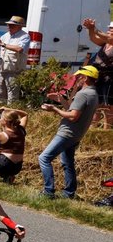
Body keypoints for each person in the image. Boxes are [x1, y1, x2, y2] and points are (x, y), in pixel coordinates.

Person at [38, 66, 100, 199]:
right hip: (77, 134)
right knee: (67, 162)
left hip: (67, 133)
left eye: (79, 77)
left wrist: (54, 109)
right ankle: (69, 192)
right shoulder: (94, 94)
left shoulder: (83, 94)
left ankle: (48, 191)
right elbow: (74, 111)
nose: (77, 79)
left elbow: (73, 117)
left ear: (85, 78)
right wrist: (61, 101)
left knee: (44, 158)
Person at [0, 15, 30, 104]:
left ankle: (11, 115)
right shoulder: (5, 36)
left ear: (20, 26)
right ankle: (1, 113)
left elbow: (20, 49)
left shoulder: (24, 37)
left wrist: (3, 44)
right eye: (8, 25)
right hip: (2, 70)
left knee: (12, 97)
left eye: (12, 25)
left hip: (14, 72)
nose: (9, 27)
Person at [82, 17, 113, 104]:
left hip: (110, 79)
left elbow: (109, 39)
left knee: (109, 107)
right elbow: (93, 38)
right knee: (95, 104)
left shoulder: (110, 40)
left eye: (112, 29)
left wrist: (95, 29)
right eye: (109, 28)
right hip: (99, 77)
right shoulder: (105, 43)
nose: (109, 30)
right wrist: (91, 28)